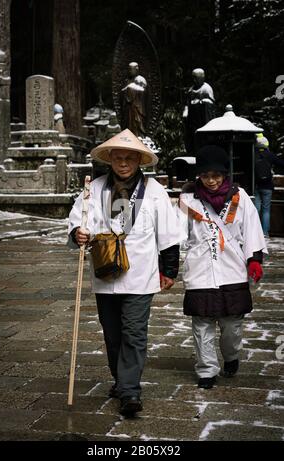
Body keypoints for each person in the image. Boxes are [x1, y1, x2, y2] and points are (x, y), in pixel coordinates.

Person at [68, 129, 180, 415]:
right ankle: (121, 380)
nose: (124, 163)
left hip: (140, 274)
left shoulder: (153, 191)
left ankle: (130, 391)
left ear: (139, 161)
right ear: (110, 159)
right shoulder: (94, 188)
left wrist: (169, 269)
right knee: (112, 333)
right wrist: (78, 233)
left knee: (133, 332)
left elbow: (168, 232)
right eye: (118, 157)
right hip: (105, 273)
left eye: (130, 157)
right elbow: (78, 218)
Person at [178, 145, 267, 389]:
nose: (211, 181)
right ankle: (206, 370)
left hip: (232, 269)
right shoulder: (187, 200)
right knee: (202, 324)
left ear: (224, 175)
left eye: (216, 175)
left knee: (232, 326)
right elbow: (173, 233)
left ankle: (231, 356)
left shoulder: (241, 199)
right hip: (200, 270)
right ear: (199, 176)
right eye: (205, 176)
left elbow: (251, 230)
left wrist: (255, 259)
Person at [254, 134, 284, 237]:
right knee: (266, 210)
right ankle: (265, 233)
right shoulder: (270, 155)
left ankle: (255, 232)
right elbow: (281, 163)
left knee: (255, 209)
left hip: (256, 186)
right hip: (267, 186)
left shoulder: (253, 154)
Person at [183, 68, 215, 155]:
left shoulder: (206, 88)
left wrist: (201, 102)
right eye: (193, 78)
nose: (194, 80)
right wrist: (185, 111)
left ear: (202, 78)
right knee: (192, 136)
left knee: (202, 137)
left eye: (196, 78)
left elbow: (210, 103)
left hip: (202, 117)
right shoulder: (191, 90)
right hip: (193, 119)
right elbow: (187, 103)